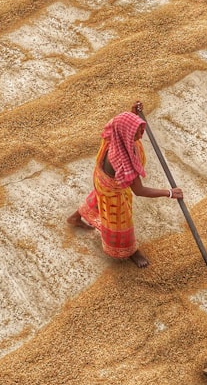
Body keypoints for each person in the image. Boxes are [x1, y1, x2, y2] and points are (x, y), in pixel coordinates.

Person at [67, 101, 183, 267]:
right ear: (126, 135)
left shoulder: (114, 133)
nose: (141, 135)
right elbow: (139, 190)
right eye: (136, 132)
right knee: (120, 221)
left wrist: (133, 114)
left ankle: (75, 217)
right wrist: (169, 193)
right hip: (113, 190)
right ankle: (130, 251)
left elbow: (123, 123)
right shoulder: (123, 161)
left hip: (102, 180)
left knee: (99, 197)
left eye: (141, 130)